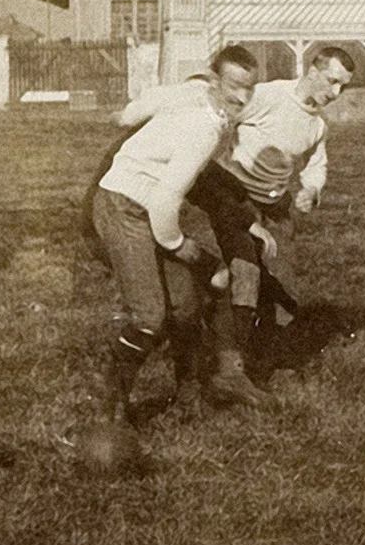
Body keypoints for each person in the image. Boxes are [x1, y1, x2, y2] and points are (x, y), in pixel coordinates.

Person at [89, 45, 259, 421]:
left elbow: (155, 98)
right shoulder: (205, 127)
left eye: (250, 87)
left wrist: (128, 114)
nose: (242, 97)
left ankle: (188, 396)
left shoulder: (197, 94)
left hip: (147, 206)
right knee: (149, 316)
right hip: (124, 205)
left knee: (186, 307)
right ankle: (105, 410)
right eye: (234, 85)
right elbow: (166, 199)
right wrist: (178, 246)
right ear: (215, 80)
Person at [195, 46, 356, 385]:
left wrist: (311, 190)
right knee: (245, 272)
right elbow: (221, 116)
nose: (336, 93)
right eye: (332, 81)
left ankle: (270, 353)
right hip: (237, 198)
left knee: (283, 281)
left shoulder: (317, 126)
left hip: (275, 202)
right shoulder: (269, 96)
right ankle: (231, 359)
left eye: (343, 86)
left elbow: (316, 163)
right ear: (313, 71)